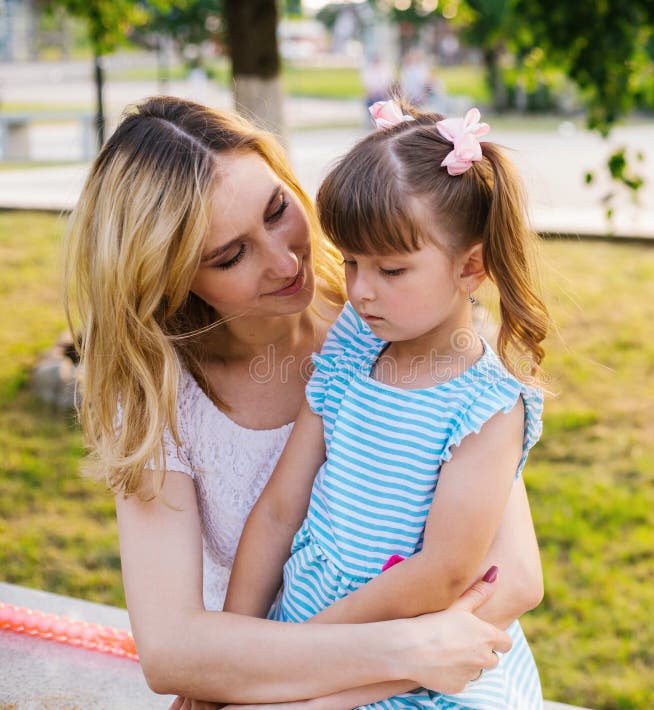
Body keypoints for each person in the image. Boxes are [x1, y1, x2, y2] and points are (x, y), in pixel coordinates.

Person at [62, 96, 545, 706]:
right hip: (282, 667)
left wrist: (307, 686)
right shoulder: (161, 398)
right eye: (231, 255)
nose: (287, 260)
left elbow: (513, 578)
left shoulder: (389, 328)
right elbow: (172, 651)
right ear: (169, 276)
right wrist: (381, 655)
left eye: (276, 210)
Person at [225, 100, 549, 709]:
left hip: (407, 666)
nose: (361, 290)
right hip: (303, 634)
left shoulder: (487, 405)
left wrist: (296, 654)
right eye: (350, 262)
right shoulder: (353, 340)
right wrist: (237, 650)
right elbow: (279, 507)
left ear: (470, 267)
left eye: (392, 270)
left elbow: (442, 574)